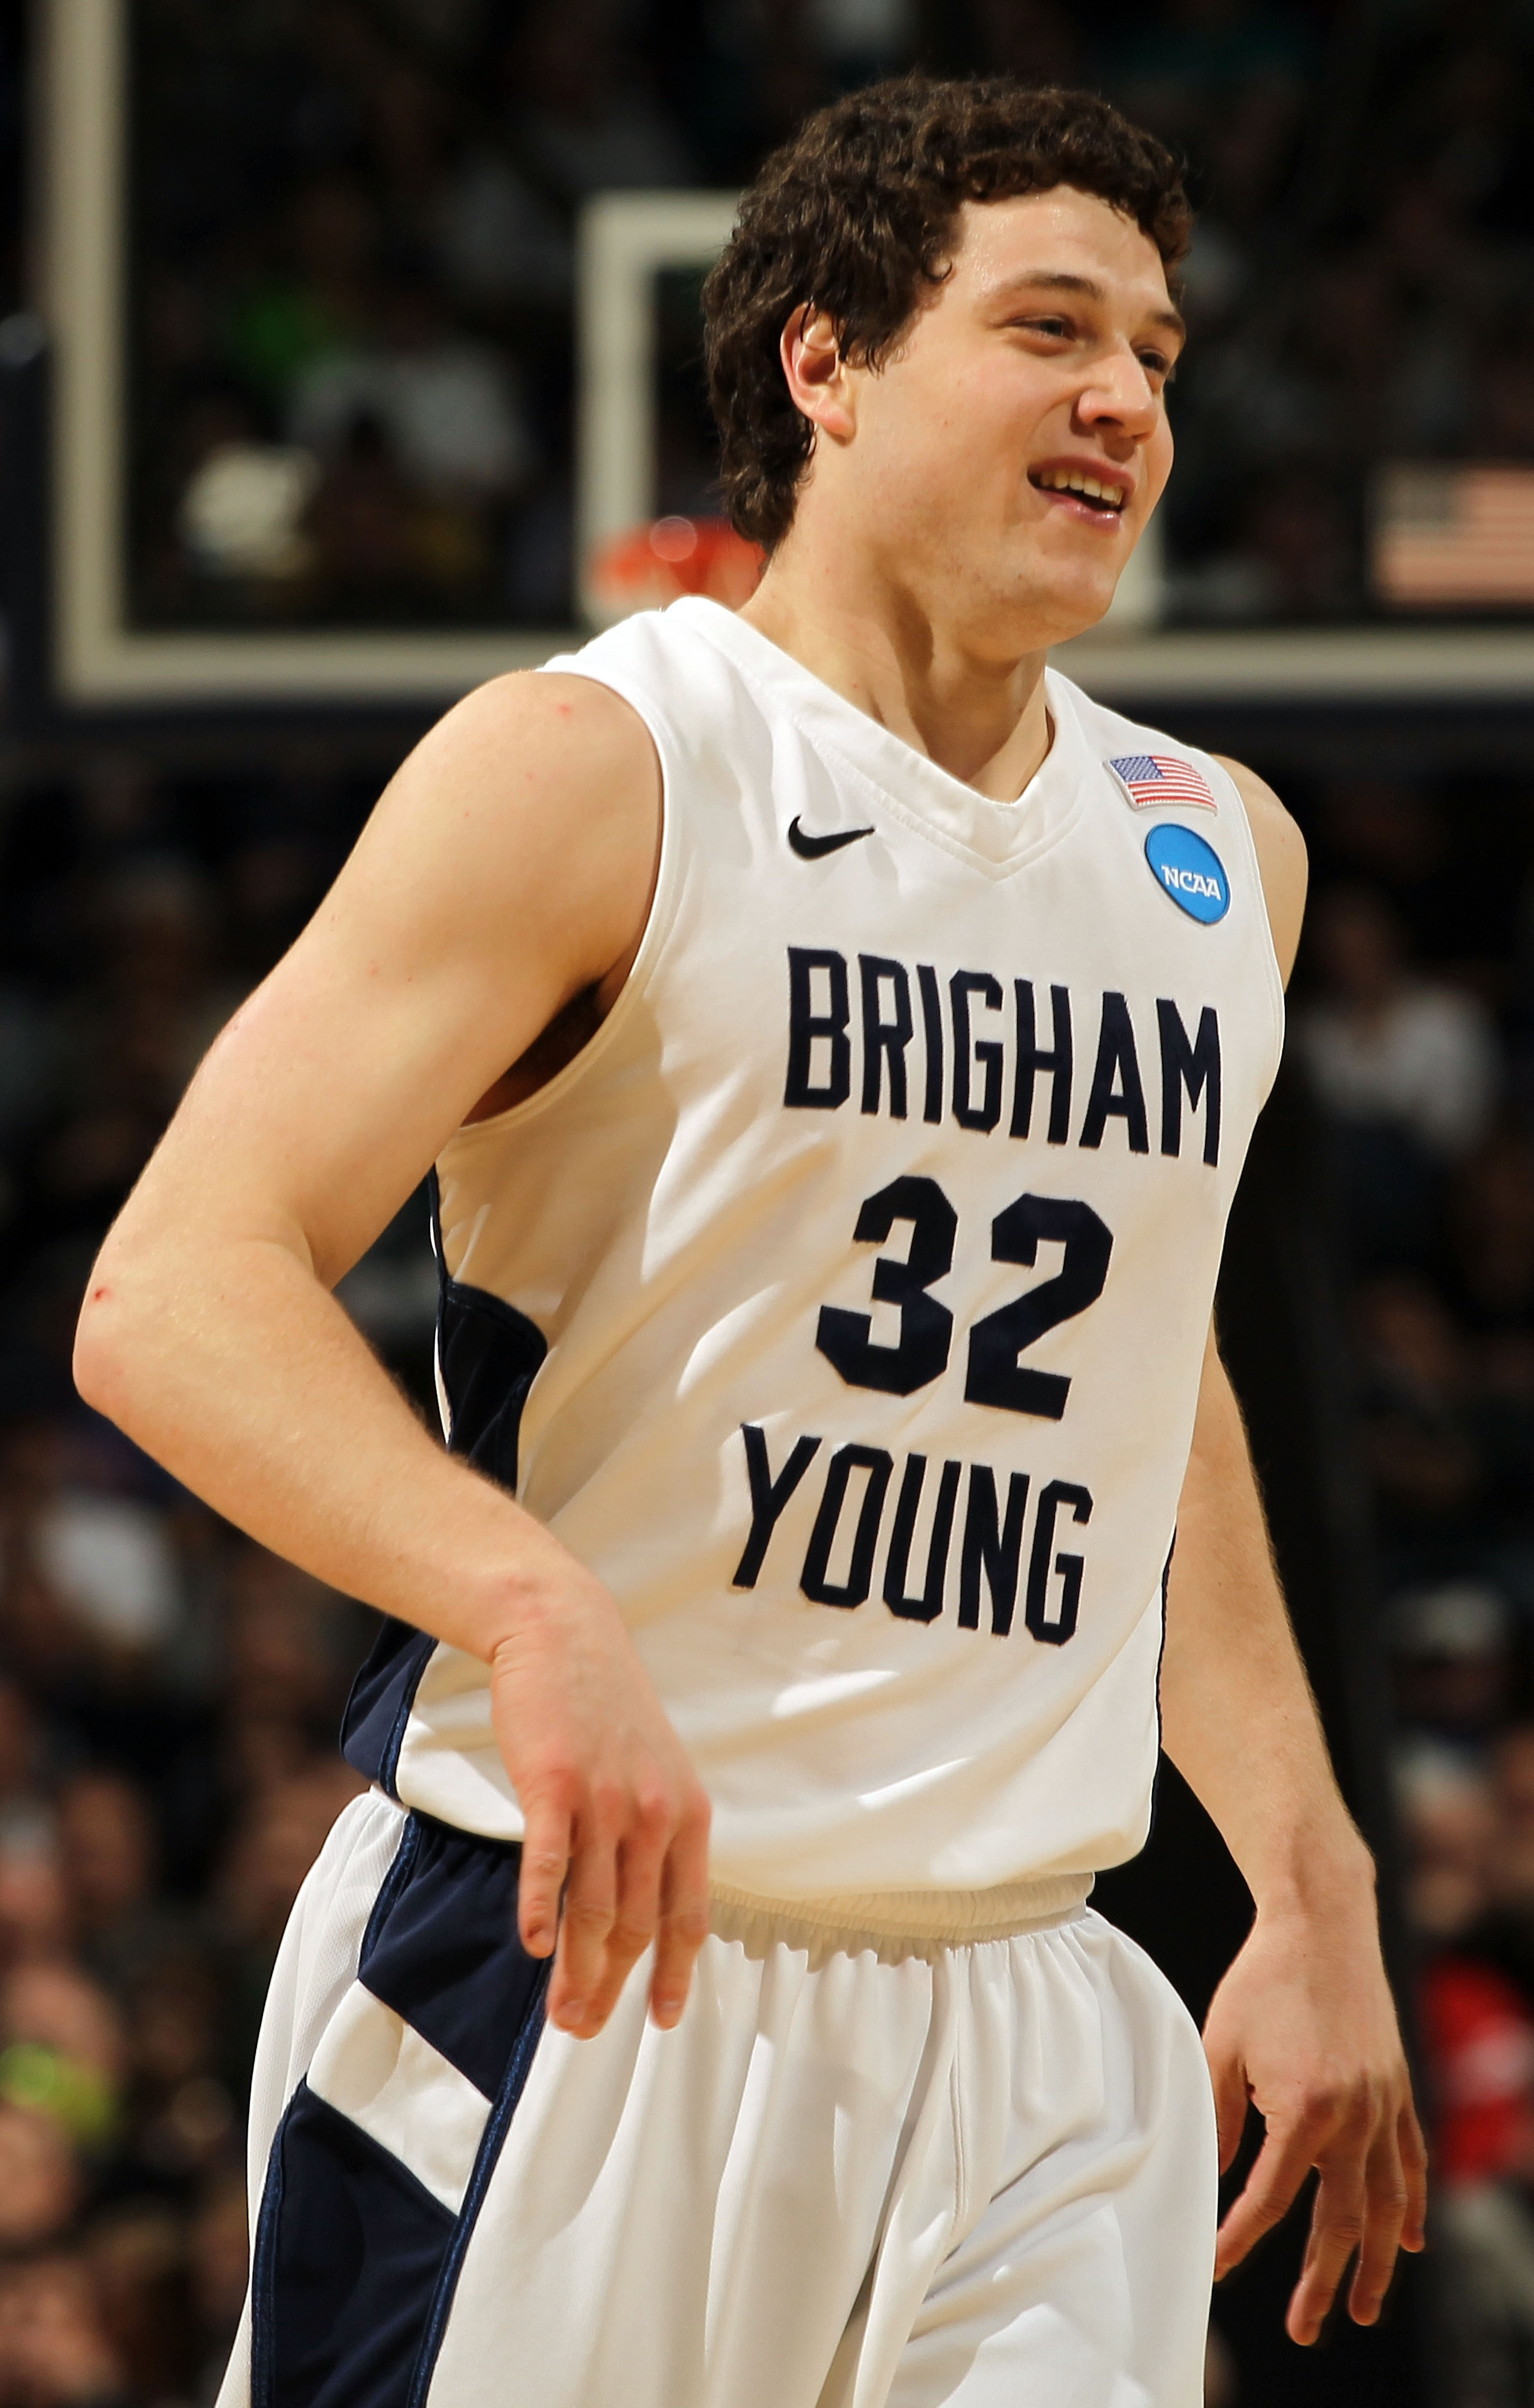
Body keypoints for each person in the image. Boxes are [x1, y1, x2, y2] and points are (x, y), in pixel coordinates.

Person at [74, 76, 1425, 2408]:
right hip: (589, 1985)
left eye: (1162, 357)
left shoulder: (1223, 857)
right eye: (1051, 330)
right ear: (829, 364)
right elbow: (171, 1290)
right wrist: (521, 1595)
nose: (1128, 397)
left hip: (1035, 2020)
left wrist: (1305, 1880)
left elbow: (1148, 1374)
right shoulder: (601, 766)